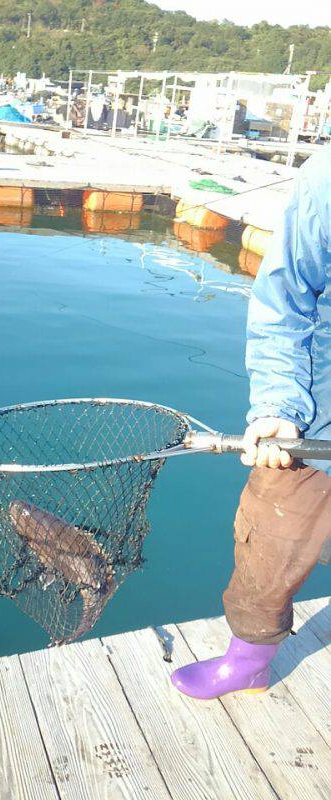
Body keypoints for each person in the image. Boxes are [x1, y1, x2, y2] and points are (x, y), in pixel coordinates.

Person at [171, 147, 331, 699]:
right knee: (270, 536)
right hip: (318, 411)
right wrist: (276, 407)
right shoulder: (327, 179)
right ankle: (249, 661)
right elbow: (284, 301)